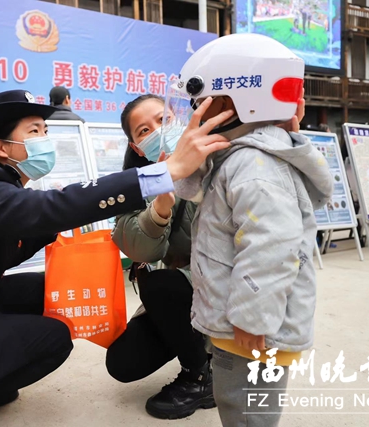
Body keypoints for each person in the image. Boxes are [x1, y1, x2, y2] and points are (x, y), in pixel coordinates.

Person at [0, 89, 233, 427]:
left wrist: (54, 220)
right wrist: (164, 174)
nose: (44, 140)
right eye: (33, 131)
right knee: (54, 340)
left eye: (44, 131)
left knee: (48, 289)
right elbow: (56, 208)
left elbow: (24, 232)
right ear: (0, 147)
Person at [170, 34, 333, 427]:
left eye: (200, 101)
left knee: (247, 415)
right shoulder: (246, 158)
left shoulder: (254, 166)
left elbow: (272, 246)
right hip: (245, 325)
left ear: (233, 103)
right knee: (242, 409)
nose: (194, 113)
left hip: (252, 331)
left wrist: (251, 318)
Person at [105, 94, 215, 420]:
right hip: (186, 291)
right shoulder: (140, 182)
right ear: (137, 147)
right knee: (123, 362)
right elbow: (139, 250)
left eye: (163, 119)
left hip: (229, 284)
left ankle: (199, 375)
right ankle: (199, 344)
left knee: (161, 286)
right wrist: (160, 208)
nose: (157, 130)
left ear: (179, 118)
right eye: (144, 130)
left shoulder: (220, 158)